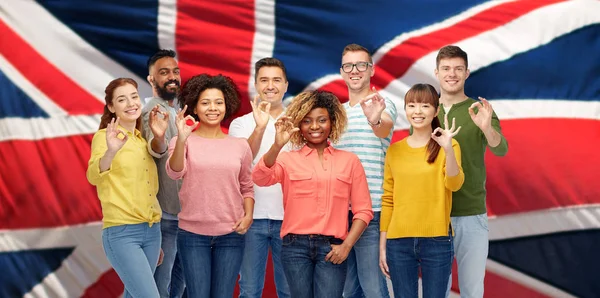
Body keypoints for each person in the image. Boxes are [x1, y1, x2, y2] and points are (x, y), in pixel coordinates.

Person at [252, 90, 374, 298]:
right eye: (307, 121)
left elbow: (364, 211)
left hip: (332, 248)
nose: (315, 127)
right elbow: (260, 178)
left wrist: (346, 246)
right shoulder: (287, 159)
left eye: (321, 120)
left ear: (332, 122)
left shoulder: (349, 161)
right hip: (294, 248)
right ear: (299, 125)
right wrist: (277, 145)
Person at [166, 74, 254, 298]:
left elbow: (246, 185)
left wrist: (248, 215)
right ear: (194, 106)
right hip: (192, 234)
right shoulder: (181, 141)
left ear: (227, 105)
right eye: (205, 103)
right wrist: (183, 139)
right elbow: (175, 172)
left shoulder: (240, 146)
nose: (212, 108)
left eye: (218, 102)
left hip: (231, 233)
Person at [434, 45, 509, 298]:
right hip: (433, 215)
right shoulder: (424, 110)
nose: (452, 74)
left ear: (467, 73)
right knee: (437, 291)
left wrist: (487, 128)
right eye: (446, 68)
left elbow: (501, 149)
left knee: (472, 290)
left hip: (471, 214)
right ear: (436, 72)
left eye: (458, 69)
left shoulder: (480, 110)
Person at [379, 83, 464, 298]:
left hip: (436, 240)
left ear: (436, 111)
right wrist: (383, 246)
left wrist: (447, 147)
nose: (418, 111)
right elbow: (388, 199)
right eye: (412, 105)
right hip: (398, 242)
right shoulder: (395, 151)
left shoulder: (449, 146)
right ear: (405, 110)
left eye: (425, 105)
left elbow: (454, 184)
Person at [87, 78, 169, 298]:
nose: (131, 103)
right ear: (112, 107)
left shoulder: (142, 142)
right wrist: (111, 151)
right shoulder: (104, 138)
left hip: (152, 232)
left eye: (134, 96)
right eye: (122, 99)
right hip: (122, 232)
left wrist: (153, 236)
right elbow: (93, 175)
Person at [336, 43, 396, 298]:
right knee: (347, 290)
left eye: (361, 65)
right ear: (342, 71)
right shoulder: (336, 112)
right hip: (339, 212)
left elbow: (383, 127)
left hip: (372, 210)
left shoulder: (382, 104)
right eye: (349, 66)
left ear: (371, 70)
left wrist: (374, 118)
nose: (355, 71)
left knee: (373, 286)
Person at [229, 57, 291, 298]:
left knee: (289, 290)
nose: (270, 86)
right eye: (264, 80)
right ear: (255, 84)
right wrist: (261, 127)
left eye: (276, 80)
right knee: (249, 289)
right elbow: (241, 161)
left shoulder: (298, 123)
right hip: (250, 217)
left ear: (286, 85)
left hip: (290, 218)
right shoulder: (240, 124)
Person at [141, 49, 186, 298]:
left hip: (184, 216)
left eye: (175, 71)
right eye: (164, 72)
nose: (172, 76)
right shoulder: (152, 112)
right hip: (166, 216)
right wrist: (158, 139)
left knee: (178, 284)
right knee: (161, 286)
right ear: (151, 79)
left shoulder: (175, 113)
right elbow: (155, 149)